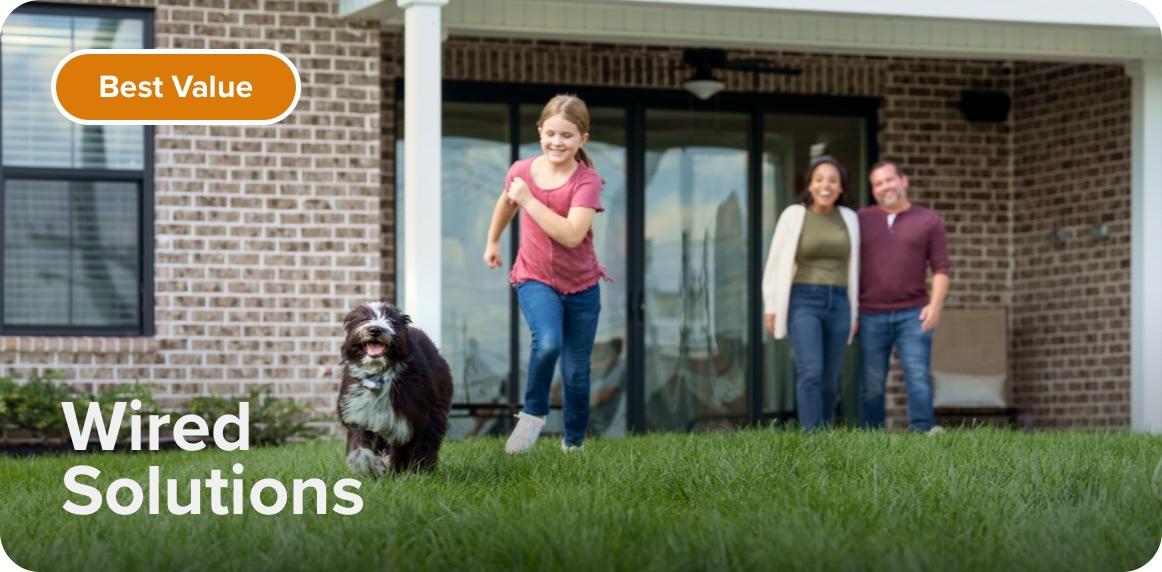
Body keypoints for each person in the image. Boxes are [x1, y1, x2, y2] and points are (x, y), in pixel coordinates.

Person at [483, 94, 606, 454]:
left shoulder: (587, 181)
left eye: (567, 135)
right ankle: (533, 415)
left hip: (582, 286)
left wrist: (529, 201)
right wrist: (492, 240)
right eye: (551, 133)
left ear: (582, 138)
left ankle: (573, 444)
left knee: (576, 373)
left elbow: (571, 234)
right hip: (535, 277)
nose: (557, 142)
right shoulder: (521, 172)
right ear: (539, 131)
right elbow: (505, 203)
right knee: (548, 342)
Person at [762, 156, 860, 431]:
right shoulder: (794, 215)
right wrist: (771, 305)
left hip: (840, 301)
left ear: (841, 187)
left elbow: (855, 268)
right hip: (804, 299)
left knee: (830, 378)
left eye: (832, 180)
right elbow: (776, 261)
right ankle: (810, 436)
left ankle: (824, 435)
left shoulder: (850, 219)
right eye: (819, 179)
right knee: (811, 371)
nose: (825, 185)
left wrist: (855, 310)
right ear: (810, 185)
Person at [857, 161, 951, 433]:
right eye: (878, 183)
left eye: (889, 180)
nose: (885, 187)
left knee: (918, 377)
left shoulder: (928, 220)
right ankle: (870, 437)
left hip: (914, 313)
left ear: (903, 181)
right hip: (870, 313)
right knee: (872, 383)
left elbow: (941, 267)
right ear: (873, 190)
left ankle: (922, 431)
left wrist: (935, 306)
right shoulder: (860, 219)